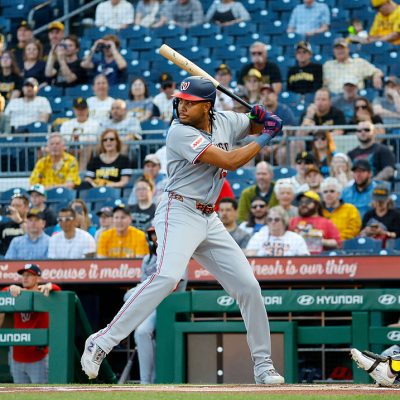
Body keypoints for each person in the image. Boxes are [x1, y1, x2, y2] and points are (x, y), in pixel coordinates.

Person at [81, 75, 285, 385]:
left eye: (189, 102)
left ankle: (263, 366)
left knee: (249, 287)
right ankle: (102, 341)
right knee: (166, 276)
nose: (181, 106)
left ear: (207, 106)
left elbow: (254, 125)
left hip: (209, 217)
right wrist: (267, 134)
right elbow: (230, 159)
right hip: (178, 210)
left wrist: (262, 118)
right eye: (179, 100)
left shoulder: (226, 120)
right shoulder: (178, 132)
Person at [124, 227, 187, 384]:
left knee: (141, 333)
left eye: (159, 234)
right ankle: (150, 379)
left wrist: (143, 291)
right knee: (142, 334)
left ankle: (147, 381)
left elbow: (173, 284)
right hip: (150, 303)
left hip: (169, 304)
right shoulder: (147, 259)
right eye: (153, 234)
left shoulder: (179, 256)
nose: (156, 238)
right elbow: (143, 282)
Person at [0, 264, 60, 383]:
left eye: (29, 275)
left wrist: (50, 286)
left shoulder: (43, 293)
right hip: (17, 358)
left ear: (38, 278)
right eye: (23, 275)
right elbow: (3, 293)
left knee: (40, 394)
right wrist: (10, 288)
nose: (25, 278)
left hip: (38, 358)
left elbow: (58, 290)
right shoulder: (17, 294)